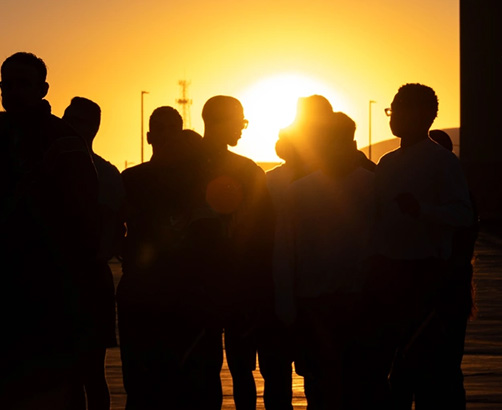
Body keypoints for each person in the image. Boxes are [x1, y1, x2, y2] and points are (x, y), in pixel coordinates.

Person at [0, 52, 99, 409]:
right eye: (6, 84)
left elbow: (79, 224)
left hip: (43, 300)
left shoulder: (62, 143)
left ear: (43, 89)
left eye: (23, 84)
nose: (12, 92)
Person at [371, 84, 474, 409]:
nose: (393, 118)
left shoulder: (442, 162)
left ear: (422, 116)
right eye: (391, 110)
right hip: (390, 277)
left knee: (432, 375)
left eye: (397, 110)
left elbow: (463, 214)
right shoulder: (386, 163)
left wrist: (422, 211)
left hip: (426, 279)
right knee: (396, 373)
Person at [274, 112, 376, 410]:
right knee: (347, 388)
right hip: (343, 305)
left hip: (331, 304)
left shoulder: (299, 190)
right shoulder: (373, 185)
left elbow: (284, 253)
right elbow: (285, 251)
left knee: (325, 390)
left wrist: (286, 308)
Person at [119, 106, 216, 410]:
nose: (164, 135)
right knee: (141, 383)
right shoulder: (131, 179)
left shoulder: (200, 181)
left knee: (190, 384)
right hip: (143, 297)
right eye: (158, 128)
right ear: (148, 136)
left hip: (188, 296)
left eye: (171, 128)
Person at [199, 96, 275, 410]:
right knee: (242, 370)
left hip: (196, 287)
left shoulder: (180, 170)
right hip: (240, 288)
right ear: (220, 121)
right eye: (239, 121)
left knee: (202, 371)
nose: (242, 129)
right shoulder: (247, 170)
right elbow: (263, 235)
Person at [63, 97, 123, 410]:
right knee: (67, 376)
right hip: (60, 280)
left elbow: (111, 232)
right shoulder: (50, 168)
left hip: (86, 283)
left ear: (93, 128)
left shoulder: (106, 174)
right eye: (67, 118)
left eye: (77, 120)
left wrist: (91, 262)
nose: (69, 126)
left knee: (90, 373)